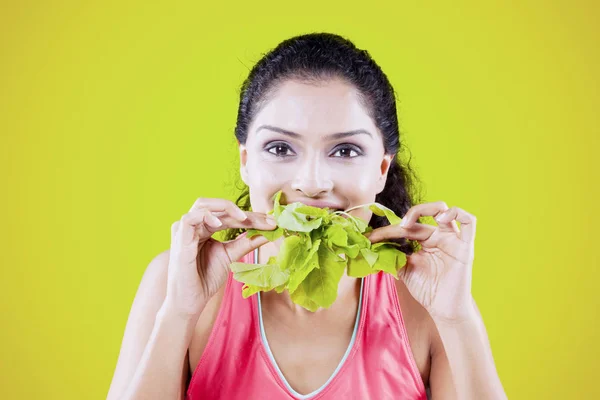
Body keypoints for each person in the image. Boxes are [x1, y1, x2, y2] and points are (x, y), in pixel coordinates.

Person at [107, 32, 507, 400]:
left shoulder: (424, 304)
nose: (312, 183)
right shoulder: (177, 281)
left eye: (346, 150)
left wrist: (457, 320)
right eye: (280, 148)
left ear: (382, 169)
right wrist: (178, 313)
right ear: (246, 161)